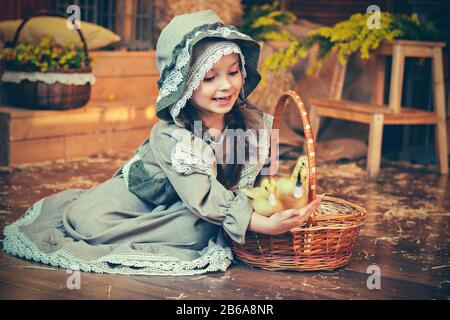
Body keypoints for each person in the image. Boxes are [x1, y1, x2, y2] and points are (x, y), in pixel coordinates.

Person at [2, 10, 320, 275]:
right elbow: (205, 196)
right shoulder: (172, 136)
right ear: (183, 85)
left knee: (205, 222)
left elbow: (260, 175)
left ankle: (226, 219)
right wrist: (261, 224)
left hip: (195, 201)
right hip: (144, 198)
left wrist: (280, 199)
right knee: (90, 221)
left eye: (233, 72)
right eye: (208, 78)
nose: (226, 86)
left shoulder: (248, 122)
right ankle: (218, 221)